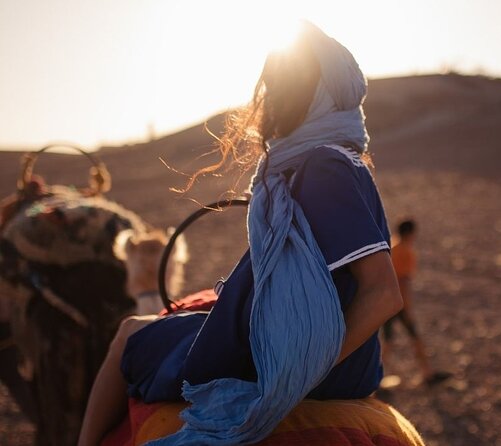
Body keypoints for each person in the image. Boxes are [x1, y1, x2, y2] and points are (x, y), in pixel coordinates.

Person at [78, 22, 403, 446]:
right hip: (333, 358)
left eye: (279, 86)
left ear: (308, 94)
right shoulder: (341, 160)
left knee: (129, 333)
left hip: (278, 359)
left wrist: (290, 378)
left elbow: (384, 293)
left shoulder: (323, 168)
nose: (267, 100)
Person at [381, 219, 449, 386]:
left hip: (385, 301)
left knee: (388, 340)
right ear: (410, 233)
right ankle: (427, 374)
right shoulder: (406, 253)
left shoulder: (391, 247)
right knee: (414, 337)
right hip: (399, 304)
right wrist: (408, 308)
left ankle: (377, 376)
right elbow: (404, 282)